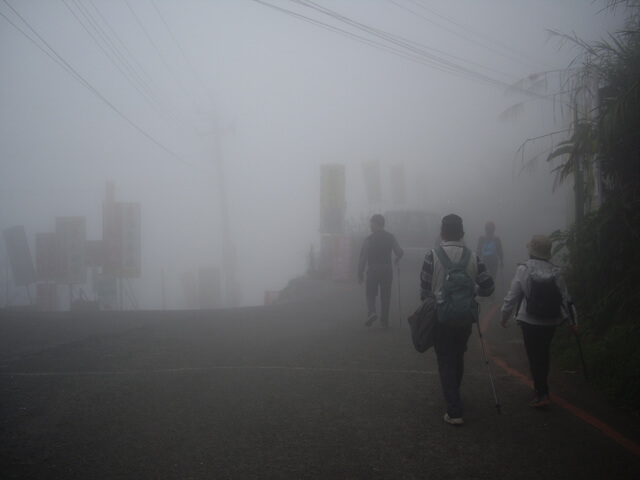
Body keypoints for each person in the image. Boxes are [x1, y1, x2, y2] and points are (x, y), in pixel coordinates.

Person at [420, 214, 494, 425]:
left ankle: (454, 410)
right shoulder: (474, 256)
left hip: (441, 317)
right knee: (458, 355)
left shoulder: (431, 256)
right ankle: (455, 396)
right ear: (462, 234)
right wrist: (471, 294)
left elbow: (424, 291)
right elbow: (488, 287)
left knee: (445, 359)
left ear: (441, 234)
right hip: (464, 318)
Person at [500, 234, 576, 408]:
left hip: (529, 320)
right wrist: (573, 322)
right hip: (550, 320)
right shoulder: (555, 271)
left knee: (534, 356)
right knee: (544, 354)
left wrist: (503, 316)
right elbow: (566, 299)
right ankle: (542, 389)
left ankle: (541, 392)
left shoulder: (524, 270)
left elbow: (512, 297)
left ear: (531, 251)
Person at [358, 214, 404, 329]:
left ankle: (372, 311)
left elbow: (363, 257)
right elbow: (399, 252)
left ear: (377, 224)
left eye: (371, 223)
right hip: (387, 269)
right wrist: (397, 258)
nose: (370, 225)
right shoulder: (391, 237)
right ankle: (384, 321)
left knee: (370, 292)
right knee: (386, 296)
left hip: (373, 269)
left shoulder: (369, 239)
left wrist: (360, 273)